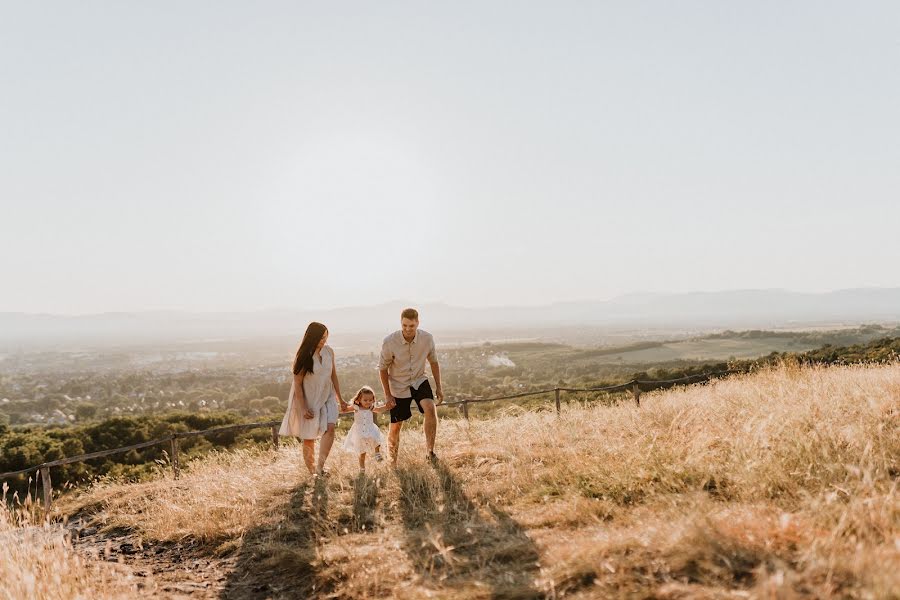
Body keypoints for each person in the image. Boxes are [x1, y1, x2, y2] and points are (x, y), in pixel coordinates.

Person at [279, 322, 348, 476]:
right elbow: (297, 383)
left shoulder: (329, 351)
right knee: (309, 437)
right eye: (321, 338)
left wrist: (340, 398)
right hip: (309, 398)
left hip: (328, 395)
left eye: (326, 337)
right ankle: (312, 471)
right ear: (312, 337)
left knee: (330, 428)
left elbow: (333, 375)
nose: (324, 341)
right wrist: (303, 408)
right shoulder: (304, 356)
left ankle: (320, 467)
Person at [378, 307, 444, 465]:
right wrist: (388, 394)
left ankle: (430, 452)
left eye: (411, 326)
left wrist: (439, 387)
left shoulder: (427, 339)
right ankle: (392, 461)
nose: (407, 329)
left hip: (419, 379)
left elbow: (434, 362)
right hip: (398, 384)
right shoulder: (389, 342)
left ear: (417, 323)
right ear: (401, 323)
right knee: (396, 424)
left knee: (430, 408)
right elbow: (382, 369)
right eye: (404, 325)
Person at [342, 385, 391, 472]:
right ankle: (362, 469)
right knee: (362, 452)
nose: (368, 402)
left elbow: (379, 410)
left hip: (370, 428)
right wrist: (341, 405)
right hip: (359, 431)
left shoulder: (371, 408)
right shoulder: (356, 407)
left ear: (373, 400)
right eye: (365, 400)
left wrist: (387, 406)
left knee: (376, 438)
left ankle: (377, 453)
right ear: (359, 399)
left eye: (370, 400)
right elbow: (345, 410)